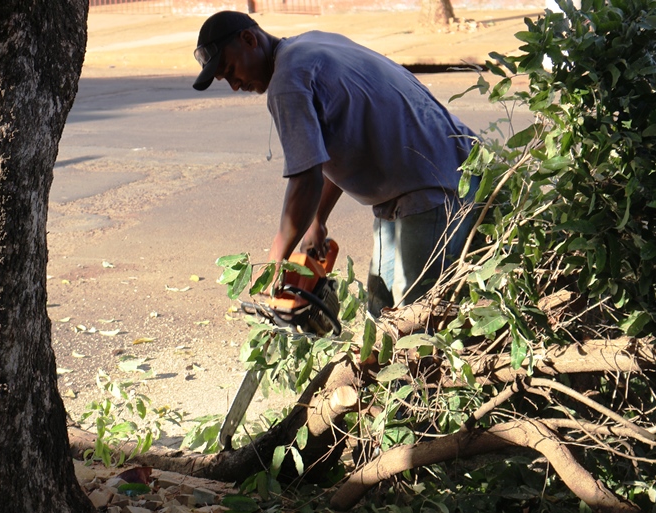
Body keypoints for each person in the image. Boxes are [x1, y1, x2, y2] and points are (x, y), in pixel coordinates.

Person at [192, 10, 478, 316]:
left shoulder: (287, 81)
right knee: (381, 308)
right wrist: (317, 220)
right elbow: (330, 151)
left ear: (249, 39)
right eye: (226, 79)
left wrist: (276, 259)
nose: (235, 85)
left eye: (231, 69)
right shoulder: (310, 44)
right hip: (434, 174)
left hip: (435, 183)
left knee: (416, 315)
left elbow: (306, 178)